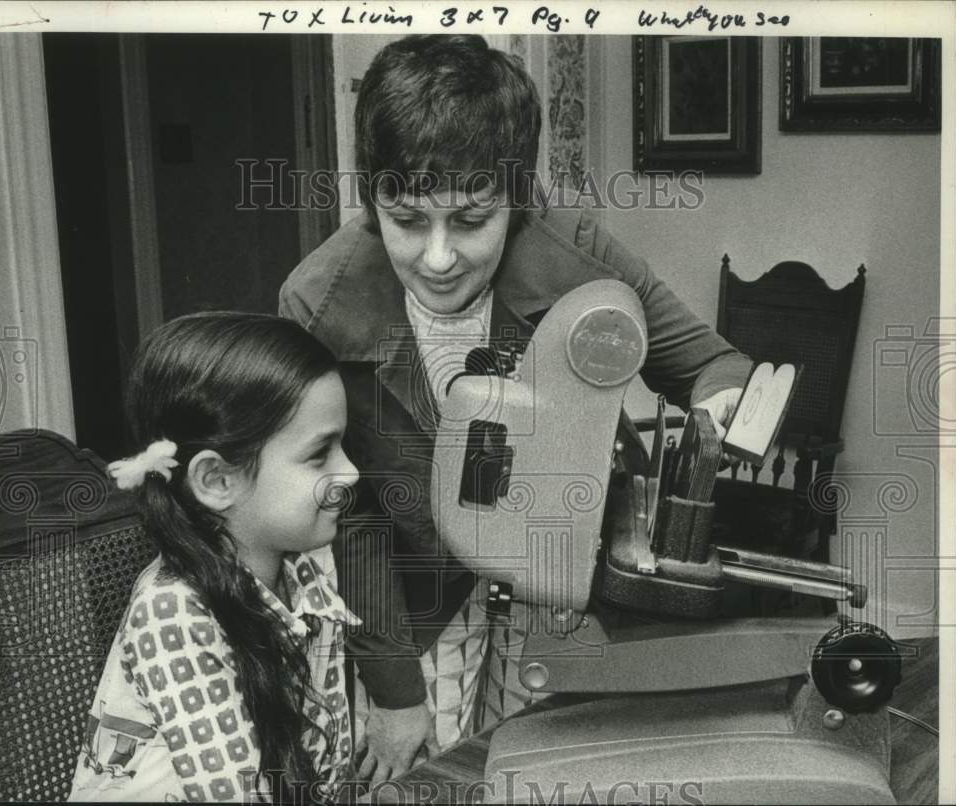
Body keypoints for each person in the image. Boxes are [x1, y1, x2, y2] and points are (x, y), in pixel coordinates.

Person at [279, 34, 753, 783]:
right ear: (371, 201)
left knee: (550, 770)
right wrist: (395, 692)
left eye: (471, 221)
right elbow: (352, 515)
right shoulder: (316, 305)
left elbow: (712, 366)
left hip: (560, 570)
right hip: (416, 596)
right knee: (426, 779)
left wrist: (726, 413)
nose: (437, 258)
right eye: (407, 220)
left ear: (519, 197)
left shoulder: (579, 256)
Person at [69, 312, 360, 803]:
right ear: (218, 481)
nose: (350, 472)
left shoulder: (307, 571)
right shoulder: (171, 612)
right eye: (320, 454)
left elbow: (327, 762)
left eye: (343, 445)